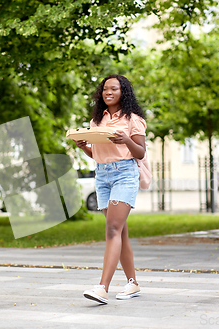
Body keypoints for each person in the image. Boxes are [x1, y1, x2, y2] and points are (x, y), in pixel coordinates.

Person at [74, 74, 146, 304]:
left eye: (114, 89)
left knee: (113, 229)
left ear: (123, 92)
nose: (108, 93)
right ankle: (132, 283)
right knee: (120, 231)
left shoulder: (133, 119)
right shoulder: (98, 121)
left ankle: (102, 287)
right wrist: (84, 147)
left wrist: (126, 140)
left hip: (125, 174)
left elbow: (140, 153)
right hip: (102, 175)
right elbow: (98, 153)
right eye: (105, 89)